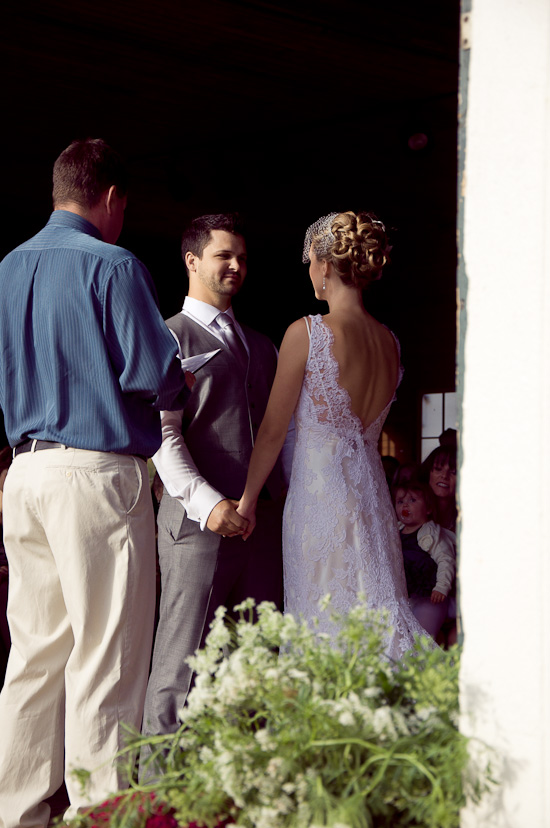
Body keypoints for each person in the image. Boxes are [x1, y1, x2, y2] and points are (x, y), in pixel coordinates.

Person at [0, 138, 192, 827]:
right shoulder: (114, 264)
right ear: (111, 198)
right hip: (96, 472)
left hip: (24, 470)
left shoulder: (7, 266)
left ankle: (16, 815)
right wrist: (181, 380)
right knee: (105, 662)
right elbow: (154, 375)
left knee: (33, 658)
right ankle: (99, 817)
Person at [238, 211, 429, 658]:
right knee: (372, 615)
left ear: (324, 265)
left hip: (319, 503)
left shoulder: (307, 333)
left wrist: (247, 501)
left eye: (309, 262)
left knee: (323, 626)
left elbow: (271, 431)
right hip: (371, 503)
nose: (309, 272)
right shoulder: (390, 342)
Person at [141, 213, 287, 762]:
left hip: (261, 525)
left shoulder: (263, 345)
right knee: (181, 662)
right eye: (224, 254)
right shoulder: (165, 335)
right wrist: (210, 505)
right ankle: (156, 794)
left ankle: (238, 786)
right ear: (192, 260)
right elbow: (162, 436)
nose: (235, 265)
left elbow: (279, 434)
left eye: (243, 257)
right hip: (196, 524)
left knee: (253, 660)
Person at [393, 479, 456, 639]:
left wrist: (441, 587)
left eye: (412, 500)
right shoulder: (396, 531)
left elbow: (446, 560)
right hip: (408, 597)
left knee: (422, 637)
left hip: (432, 597)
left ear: (428, 508)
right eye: (400, 501)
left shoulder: (432, 534)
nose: (405, 506)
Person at [420, 444, 457, 531]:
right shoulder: (413, 509)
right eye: (438, 469)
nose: (444, 476)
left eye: (453, 472)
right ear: (428, 472)